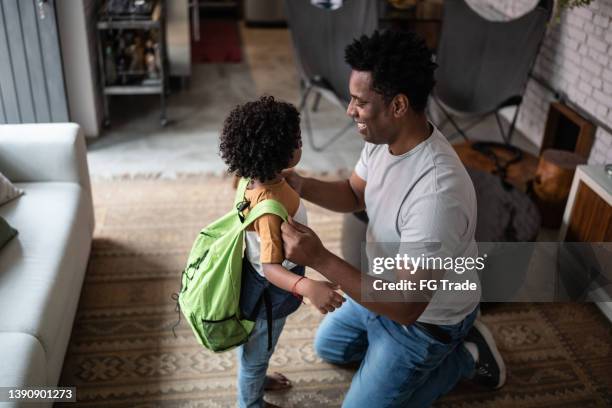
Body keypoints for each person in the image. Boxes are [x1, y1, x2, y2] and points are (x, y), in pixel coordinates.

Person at [280, 30, 506, 407]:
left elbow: (406, 306)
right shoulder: (386, 142)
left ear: (398, 106)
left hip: (424, 319)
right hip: (382, 288)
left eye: (360, 102)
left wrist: (319, 259)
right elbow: (355, 194)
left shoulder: (437, 193)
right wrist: (300, 184)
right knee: (330, 347)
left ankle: (467, 356)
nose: (350, 111)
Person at [219, 96, 345, 408]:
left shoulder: (251, 178)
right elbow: (272, 268)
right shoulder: (271, 210)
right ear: (284, 152)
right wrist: (308, 287)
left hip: (253, 279)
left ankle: (256, 377)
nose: (301, 143)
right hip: (267, 290)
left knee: (256, 345)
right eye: (298, 139)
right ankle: (251, 401)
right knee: (257, 352)